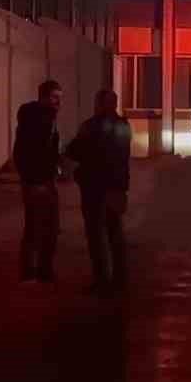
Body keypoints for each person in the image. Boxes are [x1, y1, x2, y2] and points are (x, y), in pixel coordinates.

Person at [65, 89, 132, 295]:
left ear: (99, 104)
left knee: (95, 234)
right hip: (117, 187)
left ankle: (102, 281)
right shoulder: (124, 126)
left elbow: (75, 151)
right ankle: (120, 279)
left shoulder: (91, 126)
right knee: (115, 233)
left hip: (94, 187)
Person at [14, 80, 62, 283]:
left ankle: (40, 270)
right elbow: (32, 151)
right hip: (37, 180)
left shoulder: (44, 117)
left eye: (59, 98)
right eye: (54, 97)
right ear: (43, 97)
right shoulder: (39, 119)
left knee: (46, 226)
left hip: (43, 178)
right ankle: (33, 271)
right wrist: (36, 176)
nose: (58, 102)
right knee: (38, 226)